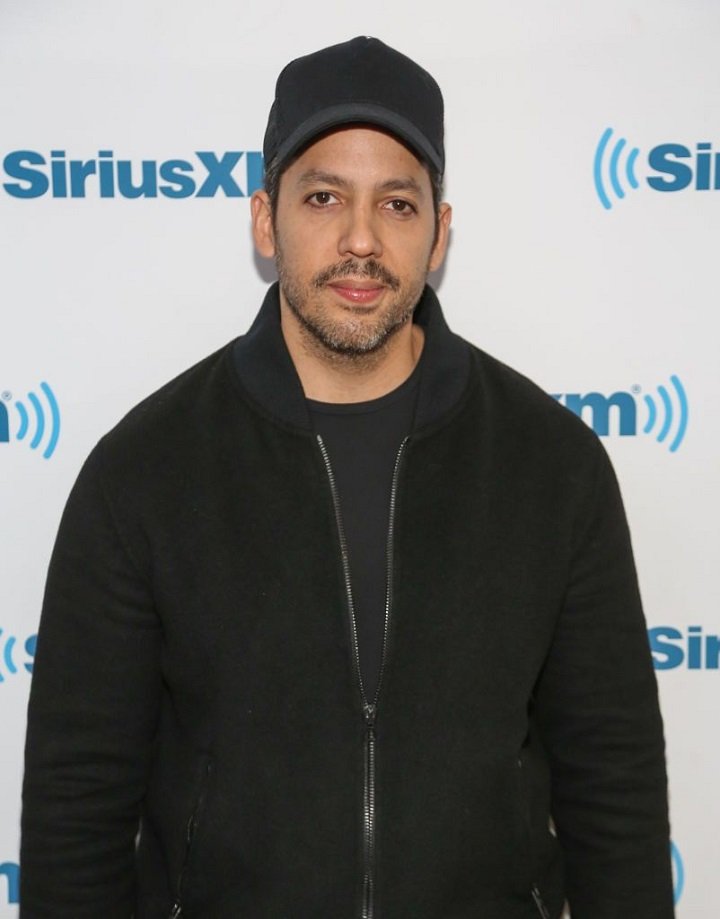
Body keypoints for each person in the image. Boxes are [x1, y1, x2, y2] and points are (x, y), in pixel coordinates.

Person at [20, 36, 674, 919]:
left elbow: (614, 794)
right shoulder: (141, 474)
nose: (359, 239)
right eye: (324, 196)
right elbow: (76, 813)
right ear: (265, 219)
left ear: (439, 233)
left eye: (397, 204)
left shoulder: (554, 468)